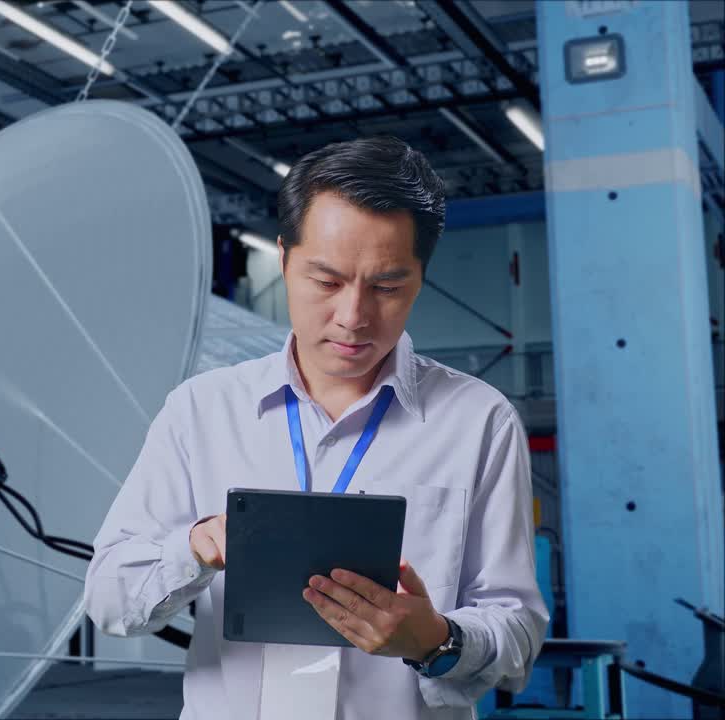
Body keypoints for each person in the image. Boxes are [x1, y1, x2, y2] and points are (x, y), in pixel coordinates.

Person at [83, 136, 548, 720]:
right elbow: (109, 600)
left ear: (421, 277)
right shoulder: (200, 411)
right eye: (326, 282)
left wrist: (436, 640)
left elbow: (517, 632)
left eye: (387, 287)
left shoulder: (478, 421)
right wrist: (194, 549)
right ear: (283, 259)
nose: (353, 317)